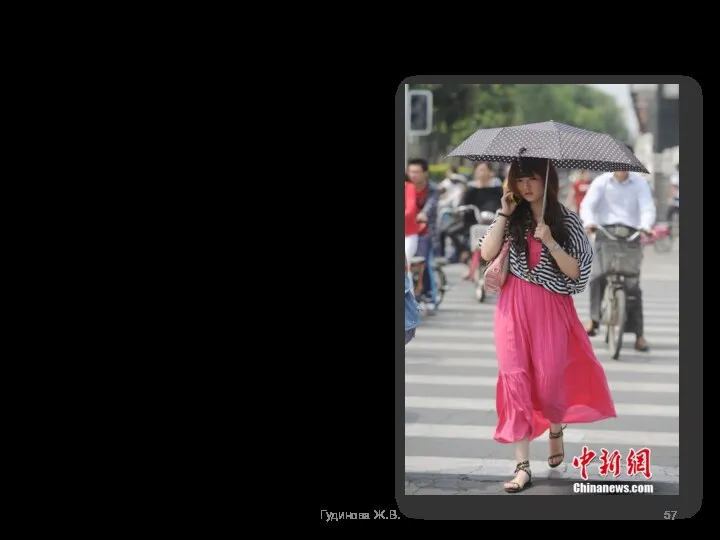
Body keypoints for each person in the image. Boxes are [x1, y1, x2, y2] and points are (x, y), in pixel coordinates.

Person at [479, 156, 616, 494]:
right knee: (516, 380)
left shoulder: (567, 220)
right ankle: (522, 466)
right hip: (512, 308)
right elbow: (486, 253)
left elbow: (579, 274)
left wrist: (550, 240)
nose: (525, 186)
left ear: (547, 180)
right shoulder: (512, 217)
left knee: (550, 379)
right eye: (519, 179)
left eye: (532, 179)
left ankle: (556, 429)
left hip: (552, 310)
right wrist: (503, 214)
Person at [578, 162, 656, 352]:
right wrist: (589, 222)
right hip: (605, 233)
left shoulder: (639, 183)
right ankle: (594, 320)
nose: (622, 168)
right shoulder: (601, 181)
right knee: (597, 276)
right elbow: (587, 205)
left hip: (632, 234)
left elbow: (647, 207)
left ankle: (639, 335)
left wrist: (646, 226)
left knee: (633, 286)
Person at [407, 158, 440, 312]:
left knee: (423, 262)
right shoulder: (406, 188)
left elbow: (430, 206)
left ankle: (429, 295)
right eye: (410, 171)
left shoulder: (433, 189)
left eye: (416, 172)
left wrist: (423, 215)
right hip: (407, 231)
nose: (413, 175)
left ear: (425, 173)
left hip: (425, 232)